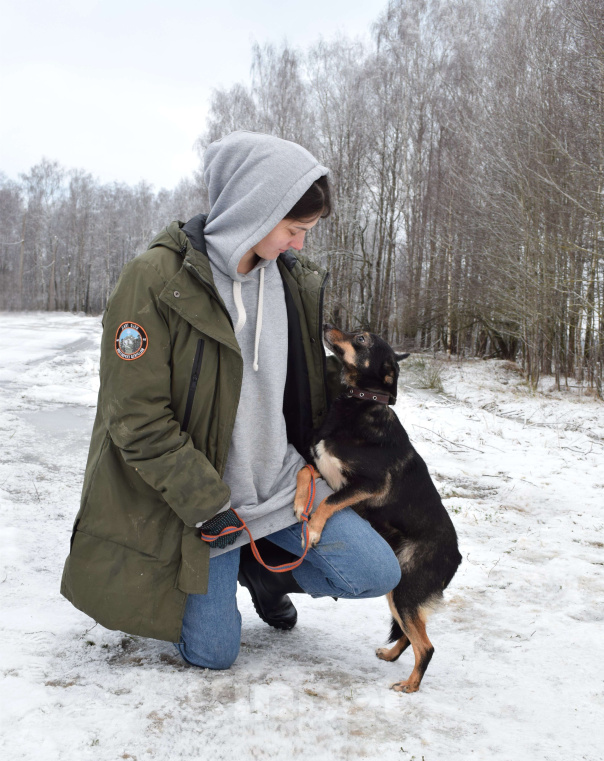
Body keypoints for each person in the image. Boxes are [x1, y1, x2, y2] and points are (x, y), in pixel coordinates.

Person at [61, 131, 401, 669]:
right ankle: (226, 570)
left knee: (377, 571)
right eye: (294, 229)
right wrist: (209, 507)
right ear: (254, 210)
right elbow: (137, 418)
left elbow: (301, 391)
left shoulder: (291, 283)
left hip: (279, 487)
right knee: (214, 654)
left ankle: (261, 573)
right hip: (203, 506)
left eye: (306, 231)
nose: (300, 245)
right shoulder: (155, 280)